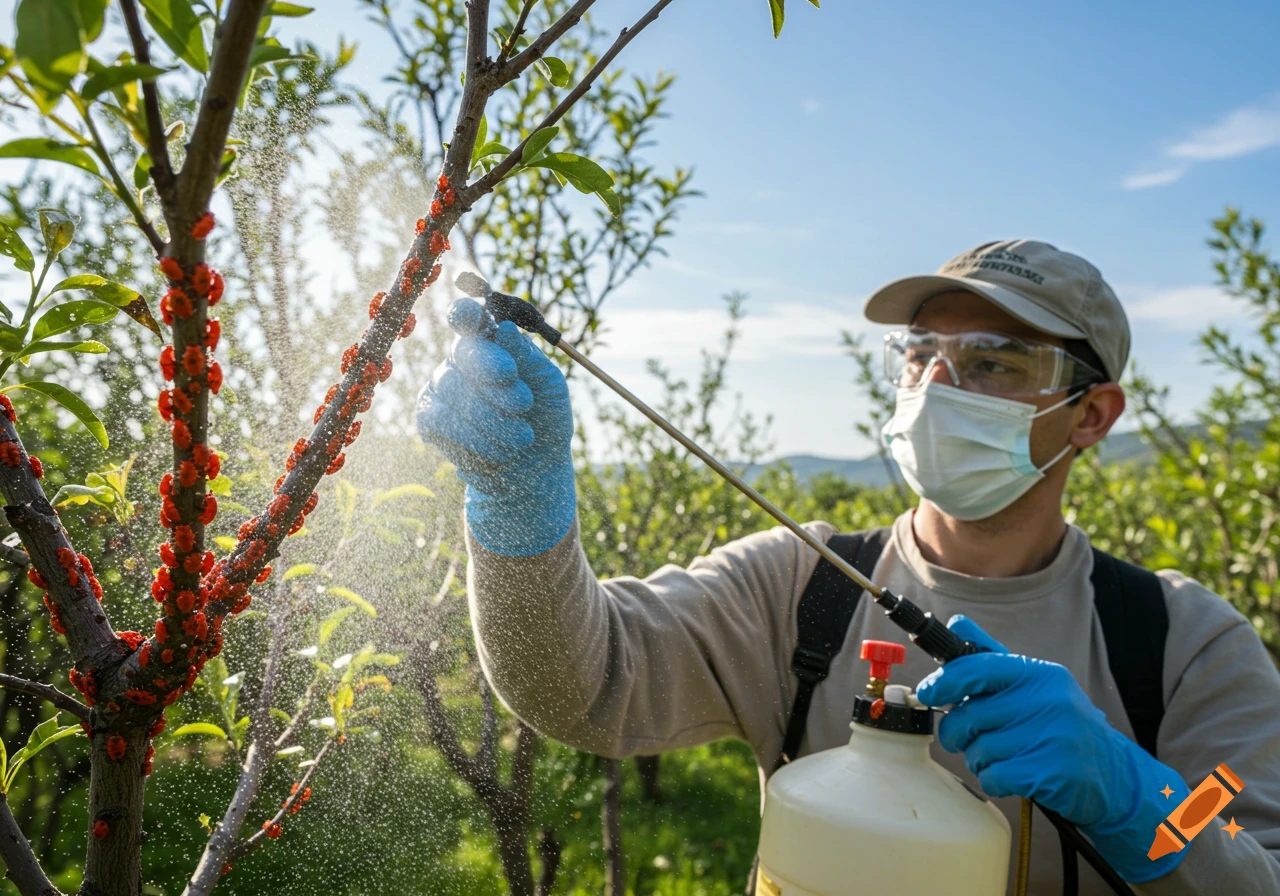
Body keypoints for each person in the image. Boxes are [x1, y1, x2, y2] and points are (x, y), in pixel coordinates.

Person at [417, 240, 1280, 894]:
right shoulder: (807, 584)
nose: (937, 385)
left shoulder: (1185, 645)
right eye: (920, 354)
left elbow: (1252, 865)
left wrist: (1141, 803)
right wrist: (517, 511)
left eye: (991, 360)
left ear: (1090, 414)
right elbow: (582, 683)